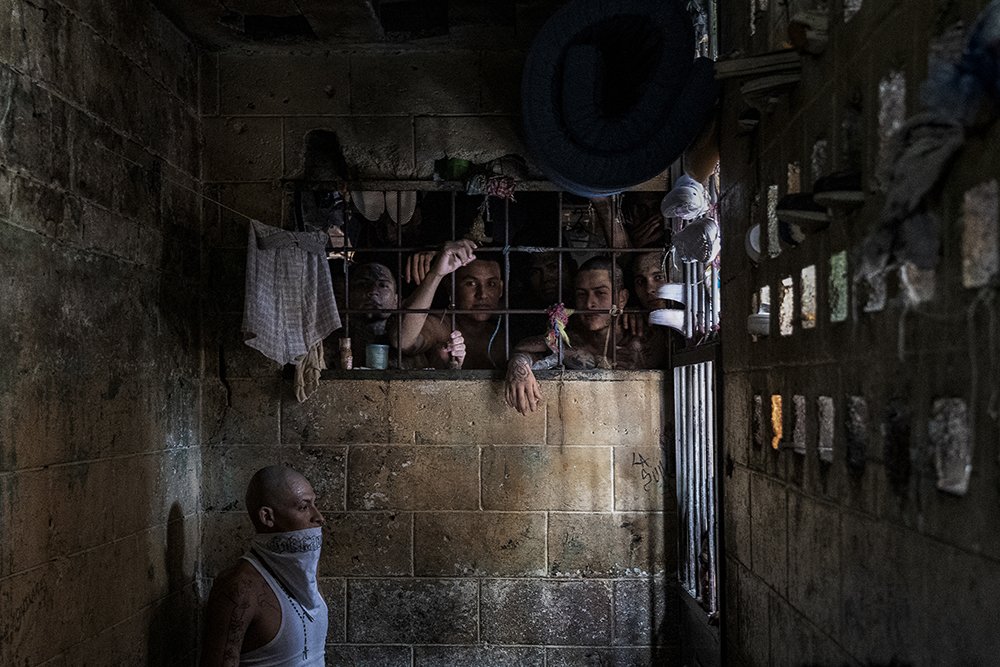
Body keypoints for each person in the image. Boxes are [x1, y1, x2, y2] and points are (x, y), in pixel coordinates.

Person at [505, 256, 667, 414]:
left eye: (600, 293)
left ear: (622, 298)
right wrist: (519, 366)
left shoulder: (649, 337)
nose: (590, 303)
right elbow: (525, 349)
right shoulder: (573, 341)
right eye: (582, 294)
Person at [200, 466, 328, 666]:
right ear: (267, 517)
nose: (318, 517)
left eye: (314, 504)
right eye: (304, 507)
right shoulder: (239, 587)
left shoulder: (306, 572)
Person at [392, 239, 502, 369]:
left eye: (491, 284)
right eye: (470, 283)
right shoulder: (440, 326)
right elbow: (403, 341)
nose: (482, 294)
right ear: (451, 287)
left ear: (501, 289)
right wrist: (437, 273)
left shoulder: (503, 334)